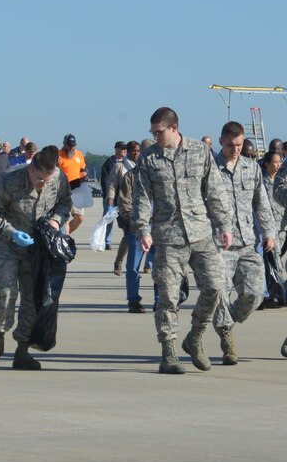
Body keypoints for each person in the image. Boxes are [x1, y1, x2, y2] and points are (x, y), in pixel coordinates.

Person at [133, 107, 233, 375]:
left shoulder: (200, 151)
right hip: (167, 237)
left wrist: (224, 225)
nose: (155, 136)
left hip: (201, 233)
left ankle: (196, 335)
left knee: (215, 286)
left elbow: (214, 190)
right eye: (152, 132)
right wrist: (143, 229)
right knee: (168, 296)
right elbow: (141, 198)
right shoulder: (148, 159)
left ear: (174, 128)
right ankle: (169, 352)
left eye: (159, 131)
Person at [0, 145, 71, 370]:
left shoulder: (58, 178)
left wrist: (56, 220)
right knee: (4, 291)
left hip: (37, 246)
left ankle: (22, 350)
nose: (43, 184)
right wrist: (10, 232)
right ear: (30, 169)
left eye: (47, 180)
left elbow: (65, 202)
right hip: (6, 243)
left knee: (33, 298)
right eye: (39, 179)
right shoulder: (9, 179)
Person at [210, 121, 276, 365]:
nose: (236, 149)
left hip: (248, 242)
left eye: (239, 145)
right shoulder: (210, 170)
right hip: (219, 245)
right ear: (221, 142)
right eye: (230, 145)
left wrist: (269, 232)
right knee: (219, 293)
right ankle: (226, 336)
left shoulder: (251, 168)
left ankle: (226, 321)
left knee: (254, 294)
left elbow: (261, 203)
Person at [118, 140, 154, 313]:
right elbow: (124, 203)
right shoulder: (130, 176)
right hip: (136, 230)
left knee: (161, 268)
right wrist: (135, 223)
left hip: (159, 229)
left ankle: (160, 299)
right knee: (133, 267)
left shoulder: (162, 176)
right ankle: (133, 301)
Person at [107, 141, 138, 273]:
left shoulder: (143, 167)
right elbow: (112, 186)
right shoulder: (119, 167)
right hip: (124, 205)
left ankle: (147, 264)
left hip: (141, 205)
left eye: (137, 151)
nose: (135, 153)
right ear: (127, 152)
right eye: (132, 151)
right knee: (128, 234)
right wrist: (109, 203)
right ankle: (119, 262)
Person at [260, 150, 285, 309]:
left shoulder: (283, 183)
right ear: (267, 164)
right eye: (275, 162)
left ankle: (278, 293)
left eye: (280, 162)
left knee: (278, 263)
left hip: (282, 228)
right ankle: (276, 294)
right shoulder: (262, 183)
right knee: (273, 262)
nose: (278, 165)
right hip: (269, 229)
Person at [58, 133, 87, 234]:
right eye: (69, 145)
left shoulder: (79, 154)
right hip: (63, 191)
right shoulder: (58, 156)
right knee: (65, 218)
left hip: (77, 190)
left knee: (79, 218)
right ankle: (64, 239)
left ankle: (63, 235)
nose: (71, 147)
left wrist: (84, 184)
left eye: (73, 145)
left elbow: (82, 170)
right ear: (64, 144)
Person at [100, 141, 127, 250]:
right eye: (121, 148)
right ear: (116, 149)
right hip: (110, 197)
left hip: (124, 197)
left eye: (125, 148)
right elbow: (105, 180)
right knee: (108, 219)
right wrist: (108, 196)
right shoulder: (109, 163)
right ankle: (106, 241)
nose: (124, 150)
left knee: (126, 220)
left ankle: (128, 238)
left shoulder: (128, 162)